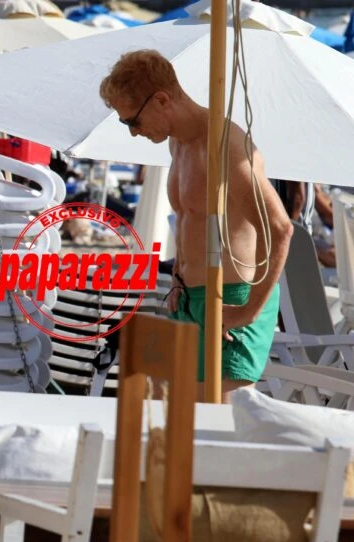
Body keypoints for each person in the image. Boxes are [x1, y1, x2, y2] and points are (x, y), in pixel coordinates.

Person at [99, 49, 293, 403]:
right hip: (190, 296)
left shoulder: (225, 147)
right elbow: (191, 218)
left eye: (133, 122)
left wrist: (248, 311)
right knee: (176, 422)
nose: (133, 133)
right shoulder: (177, 143)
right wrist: (178, 276)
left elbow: (280, 229)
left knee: (214, 425)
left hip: (232, 297)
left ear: (161, 100)